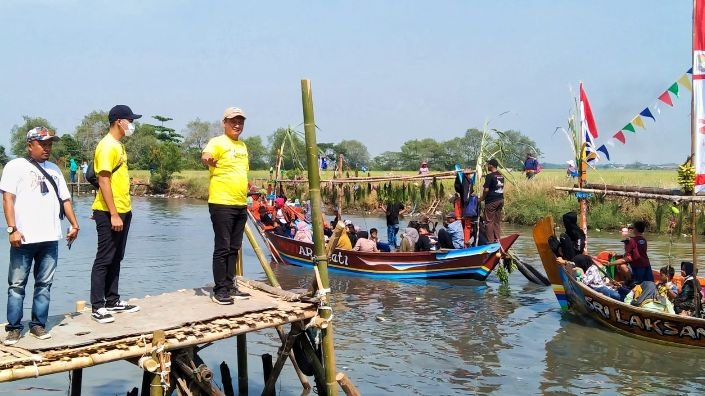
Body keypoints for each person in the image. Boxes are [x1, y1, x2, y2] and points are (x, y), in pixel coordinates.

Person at [0, 127, 80, 344]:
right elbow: (8, 199)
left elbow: (65, 200)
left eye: (49, 144)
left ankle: (38, 325)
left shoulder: (54, 170)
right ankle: (14, 328)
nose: (47, 148)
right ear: (30, 145)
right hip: (23, 238)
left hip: (50, 239)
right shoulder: (15, 166)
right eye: (42, 144)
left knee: (44, 284)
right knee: (17, 286)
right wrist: (12, 229)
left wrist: (74, 224)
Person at [90, 105, 141, 324]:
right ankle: (97, 306)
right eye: (130, 120)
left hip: (123, 208)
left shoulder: (118, 146)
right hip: (109, 211)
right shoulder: (107, 146)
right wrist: (113, 214)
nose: (132, 124)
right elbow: (103, 179)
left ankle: (113, 299)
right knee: (105, 257)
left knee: (117, 256)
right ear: (119, 121)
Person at [201, 107, 252, 305]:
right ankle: (220, 290)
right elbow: (206, 155)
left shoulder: (243, 147)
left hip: (240, 203)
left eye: (240, 122)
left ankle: (230, 285)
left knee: (234, 246)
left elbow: (240, 172)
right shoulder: (217, 142)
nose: (237, 125)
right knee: (222, 246)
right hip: (221, 202)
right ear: (224, 123)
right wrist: (207, 159)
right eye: (233, 121)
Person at [480, 159, 504, 242]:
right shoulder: (501, 175)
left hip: (492, 201)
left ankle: (490, 241)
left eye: (488, 165)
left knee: (488, 222)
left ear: (491, 165)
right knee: (496, 221)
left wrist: (482, 198)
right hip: (500, 200)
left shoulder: (489, 176)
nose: (487, 166)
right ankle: (497, 239)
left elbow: (486, 189)